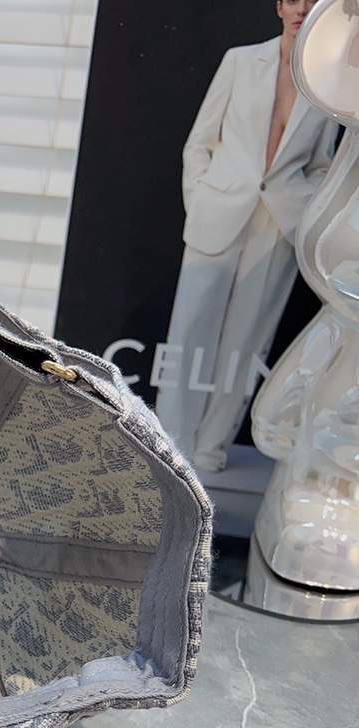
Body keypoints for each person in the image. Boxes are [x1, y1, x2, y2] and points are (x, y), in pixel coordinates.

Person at [153, 0, 337, 471]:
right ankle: (170, 441)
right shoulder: (240, 60)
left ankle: (212, 445)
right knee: (190, 331)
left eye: (312, 0)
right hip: (219, 210)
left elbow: (321, 165)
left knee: (246, 342)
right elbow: (200, 143)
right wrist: (200, 201)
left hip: (277, 223)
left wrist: (301, 213)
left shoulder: (328, 85)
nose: (302, 8)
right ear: (279, 6)